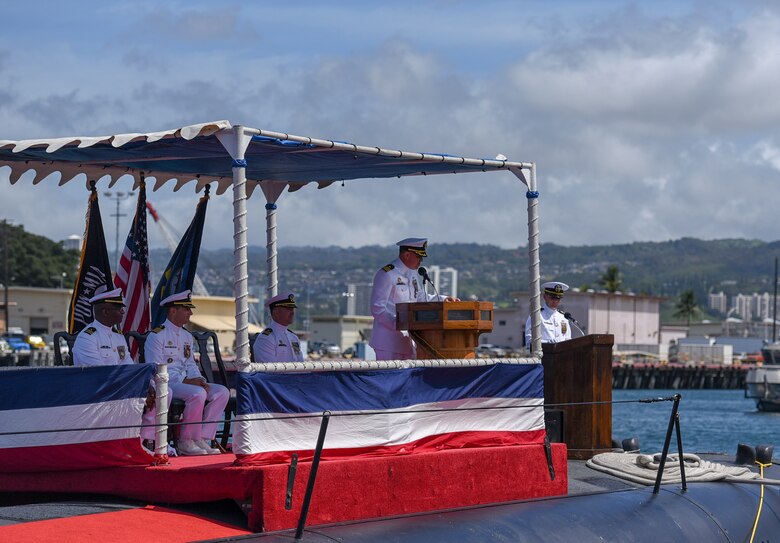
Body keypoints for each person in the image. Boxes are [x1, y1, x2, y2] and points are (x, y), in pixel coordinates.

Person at [144, 289, 229, 456]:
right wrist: (187, 382)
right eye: (186, 309)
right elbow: (154, 368)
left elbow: (190, 363)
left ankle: (203, 438)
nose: (190, 313)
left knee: (221, 392)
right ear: (173, 310)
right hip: (167, 382)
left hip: (187, 382)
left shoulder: (186, 336)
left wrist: (199, 379)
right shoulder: (157, 336)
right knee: (197, 394)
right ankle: (185, 441)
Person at [72, 287, 160, 447]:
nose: (123, 311)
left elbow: (128, 366)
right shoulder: (87, 337)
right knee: (138, 395)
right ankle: (130, 443)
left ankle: (145, 441)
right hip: (97, 391)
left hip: (118, 386)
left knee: (159, 391)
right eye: (119, 308)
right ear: (105, 311)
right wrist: (135, 387)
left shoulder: (118, 336)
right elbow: (100, 374)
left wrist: (146, 385)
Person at [369, 237, 458, 360]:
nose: (421, 260)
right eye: (419, 256)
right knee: (390, 377)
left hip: (409, 340)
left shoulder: (413, 273)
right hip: (388, 341)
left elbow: (420, 297)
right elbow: (377, 309)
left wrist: (443, 299)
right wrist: (398, 323)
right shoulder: (386, 274)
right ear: (406, 255)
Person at [253, 292, 305, 363]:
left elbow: (300, 363)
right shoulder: (266, 338)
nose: (292, 312)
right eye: (289, 309)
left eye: (293, 309)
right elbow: (269, 370)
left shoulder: (293, 337)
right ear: (276, 312)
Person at [524, 281, 572, 347]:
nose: (555, 301)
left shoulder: (563, 317)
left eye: (558, 298)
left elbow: (568, 340)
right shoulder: (536, 316)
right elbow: (529, 341)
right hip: (543, 355)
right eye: (552, 298)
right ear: (544, 297)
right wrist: (547, 344)